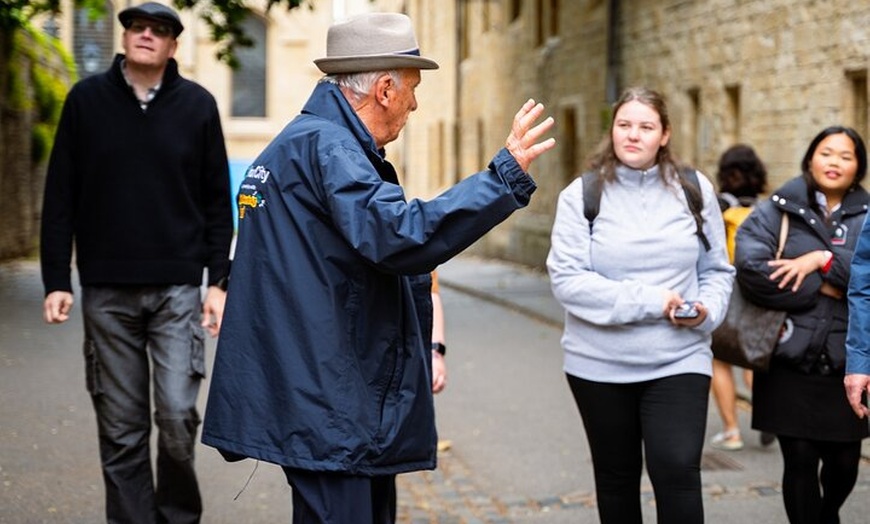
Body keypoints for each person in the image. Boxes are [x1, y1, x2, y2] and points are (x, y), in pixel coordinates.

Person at [200, 12, 555, 523]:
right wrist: (501, 180)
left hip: (319, 391)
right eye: (411, 87)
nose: (415, 102)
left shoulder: (302, 141)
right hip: (327, 399)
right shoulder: (330, 147)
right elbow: (399, 236)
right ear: (384, 88)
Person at [39, 2, 233, 523]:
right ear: (125, 38)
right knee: (121, 428)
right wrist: (57, 279)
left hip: (176, 291)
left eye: (160, 30)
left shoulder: (198, 106)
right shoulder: (86, 101)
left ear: (173, 45)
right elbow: (61, 194)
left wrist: (220, 282)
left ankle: (177, 516)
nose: (146, 35)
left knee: (174, 416)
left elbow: (219, 200)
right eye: (137, 28)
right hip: (106, 291)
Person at [546, 86, 734, 523]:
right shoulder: (582, 195)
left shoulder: (694, 189)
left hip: (678, 357)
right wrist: (654, 300)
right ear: (611, 130)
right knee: (616, 479)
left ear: (664, 134)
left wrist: (707, 309)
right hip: (598, 364)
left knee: (677, 468)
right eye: (624, 125)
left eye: (646, 126)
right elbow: (569, 281)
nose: (633, 135)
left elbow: (718, 270)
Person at [736, 126, 870, 524]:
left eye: (846, 156)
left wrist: (819, 261)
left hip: (848, 359)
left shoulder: (867, 215)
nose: (834, 162)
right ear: (811, 158)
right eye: (826, 153)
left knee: (845, 462)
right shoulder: (775, 209)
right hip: (787, 355)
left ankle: (828, 515)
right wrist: (830, 287)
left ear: (858, 167)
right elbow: (752, 271)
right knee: (798, 460)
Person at [709, 144, 770, 451]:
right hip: (757, 291)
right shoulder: (766, 207)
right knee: (753, 359)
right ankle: (767, 415)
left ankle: (732, 431)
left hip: (725, 290)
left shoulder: (718, 204)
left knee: (719, 360)